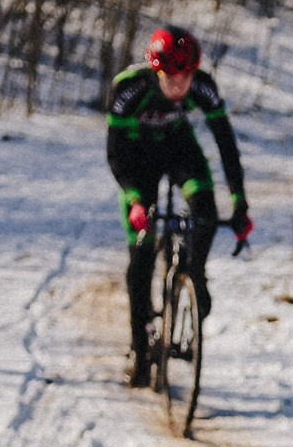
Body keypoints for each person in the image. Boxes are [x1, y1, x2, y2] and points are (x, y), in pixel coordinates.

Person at [105, 25, 252, 383]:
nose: (179, 86)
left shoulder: (202, 86)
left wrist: (239, 202)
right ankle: (140, 349)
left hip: (178, 150)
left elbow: (226, 145)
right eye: (171, 78)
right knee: (140, 256)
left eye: (185, 77)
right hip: (137, 161)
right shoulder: (129, 89)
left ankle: (195, 276)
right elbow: (116, 154)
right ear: (157, 71)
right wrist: (135, 200)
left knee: (204, 213)